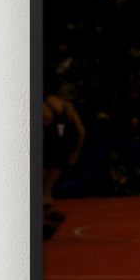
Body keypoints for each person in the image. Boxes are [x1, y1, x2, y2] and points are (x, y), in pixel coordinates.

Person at [42, 81, 86, 238]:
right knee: (47, 189)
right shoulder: (68, 108)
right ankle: (48, 216)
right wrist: (75, 152)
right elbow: (81, 132)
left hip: (45, 150)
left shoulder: (44, 107)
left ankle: (45, 219)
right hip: (61, 152)